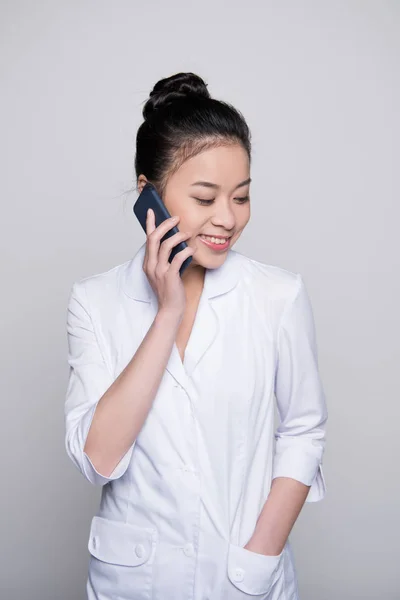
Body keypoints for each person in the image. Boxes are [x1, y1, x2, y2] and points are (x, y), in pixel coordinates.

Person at [64, 72, 328, 600]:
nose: (227, 219)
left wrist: (262, 552)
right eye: (205, 198)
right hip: (133, 581)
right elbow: (98, 458)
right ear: (149, 197)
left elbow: (303, 430)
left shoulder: (278, 295)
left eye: (242, 197)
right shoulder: (94, 301)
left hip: (244, 577)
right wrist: (167, 313)